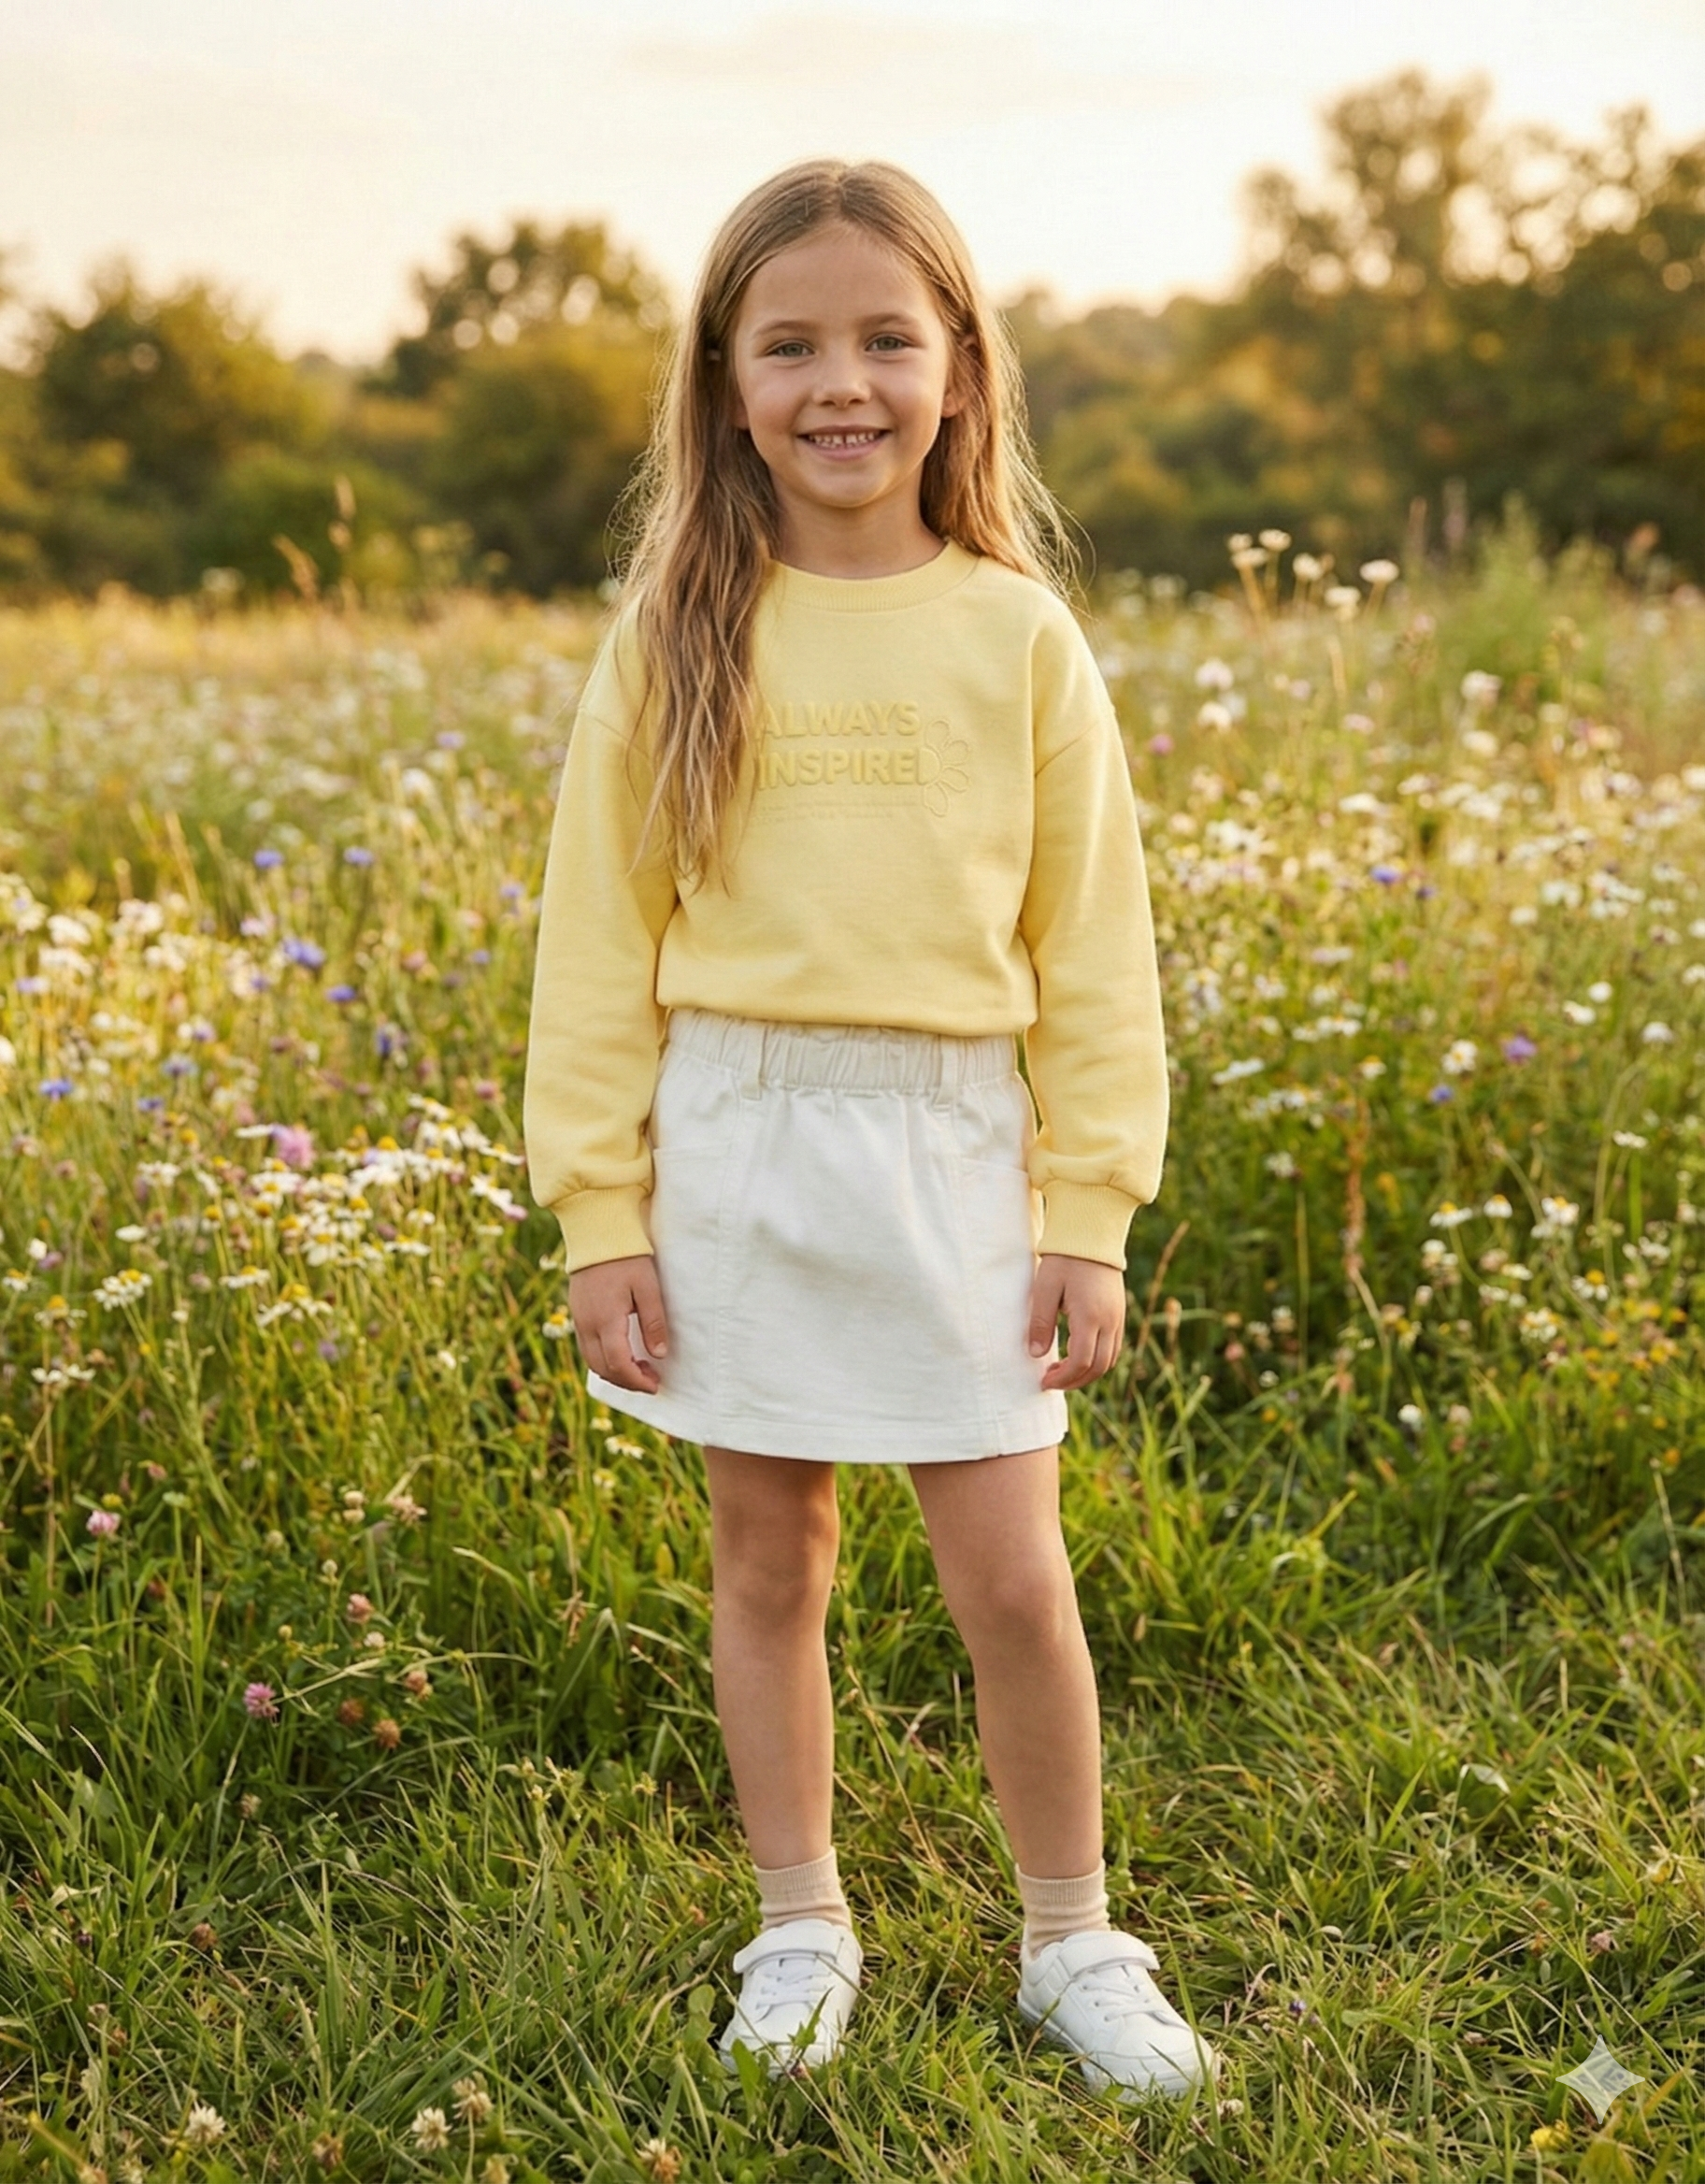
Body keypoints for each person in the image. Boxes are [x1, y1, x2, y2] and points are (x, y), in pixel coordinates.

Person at [523, 157, 1217, 2104]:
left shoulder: (1018, 640)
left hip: (953, 1153)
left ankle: (1075, 1936)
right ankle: (799, 1921)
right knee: (772, 1555)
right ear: (726, 381)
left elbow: (1095, 953)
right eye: (794, 342)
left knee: (1013, 1574)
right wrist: (603, 1209)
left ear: (960, 368)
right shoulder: (678, 632)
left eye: (886, 337)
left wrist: (1088, 1205)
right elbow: (600, 946)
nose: (844, 381)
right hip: (736, 1137)